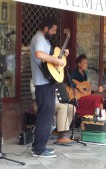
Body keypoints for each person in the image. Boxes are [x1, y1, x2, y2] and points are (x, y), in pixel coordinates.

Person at [30, 17, 68, 158]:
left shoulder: (45, 40)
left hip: (47, 82)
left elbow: (49, 59)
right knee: (45, 116)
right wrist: (57, 60)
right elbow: (39, 54)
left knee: (46, 115)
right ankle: (39, 149)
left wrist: (61, 56)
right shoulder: (39, 37)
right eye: (52, 30)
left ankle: (40, 146)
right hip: (42, 83)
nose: (53, 33)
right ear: (45, 28)